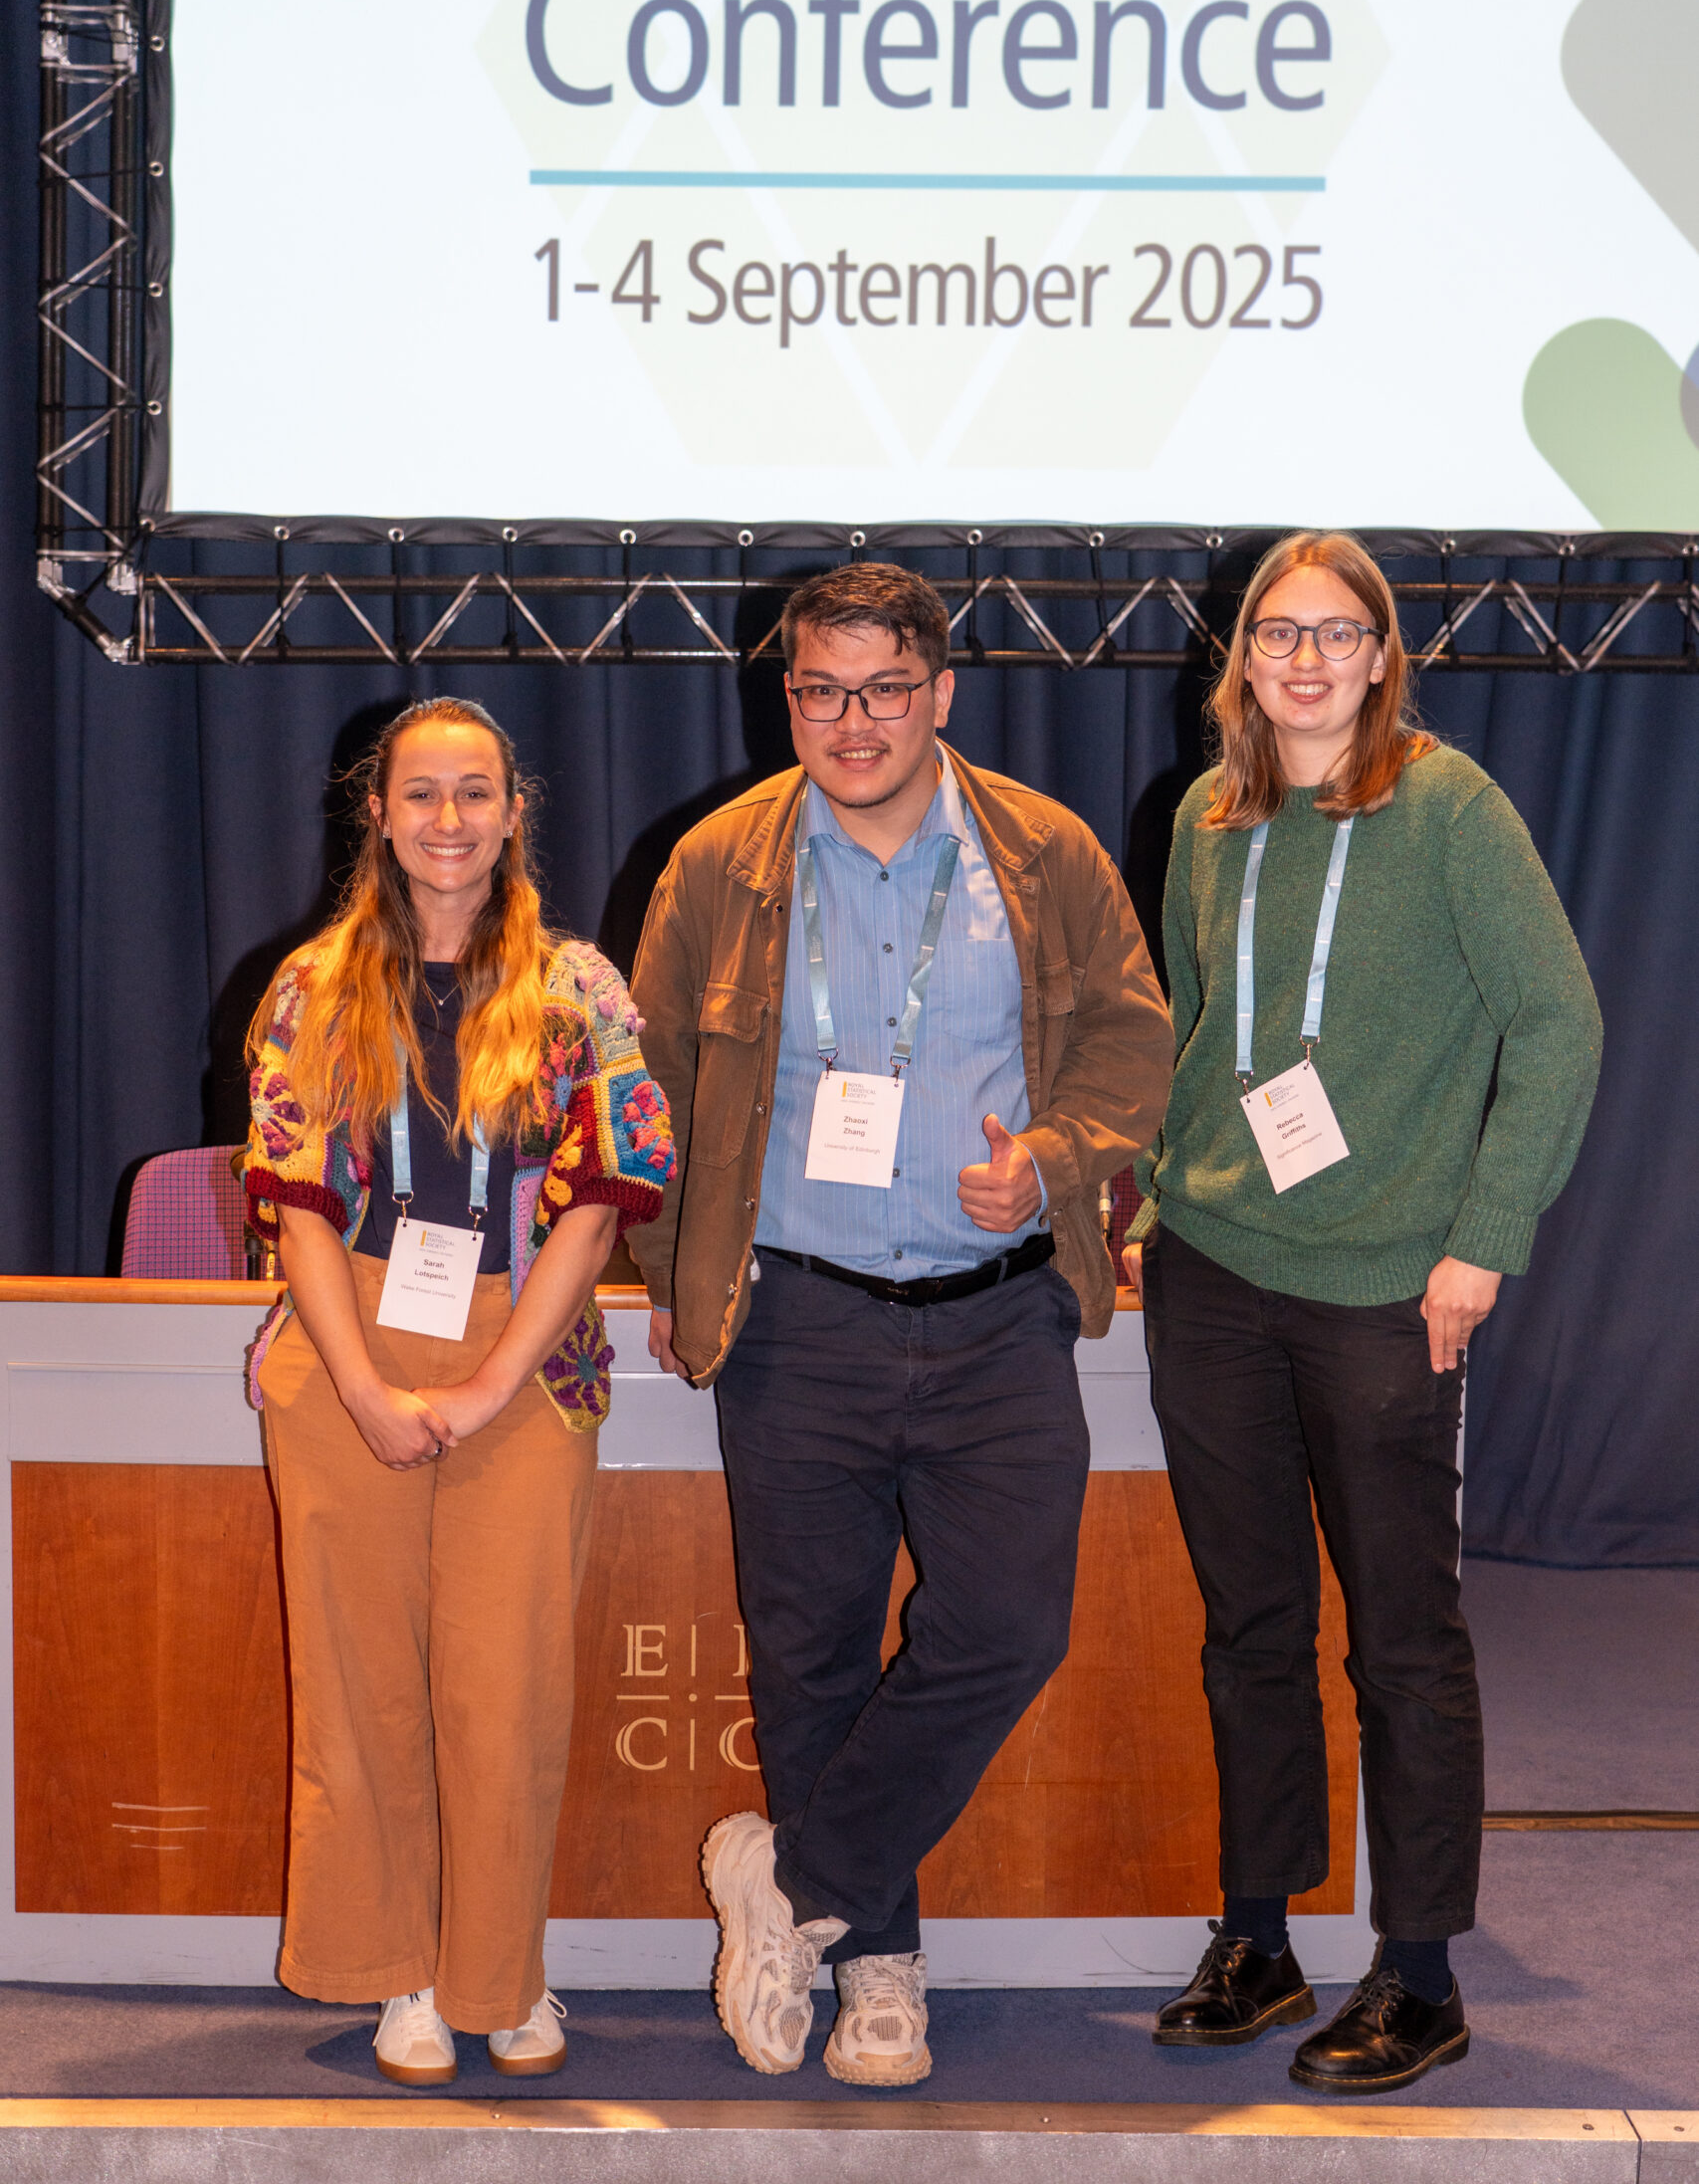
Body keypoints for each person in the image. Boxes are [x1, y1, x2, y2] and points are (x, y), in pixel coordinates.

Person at [627, 562, 1173, 2089]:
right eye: (818, 690)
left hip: (995, 1323)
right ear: (784, 693)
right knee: (810, 1657)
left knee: (1006, 1627)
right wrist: (678, 1272)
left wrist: (1055, 1160)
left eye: (881, 689)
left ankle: (792, 1889)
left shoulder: (1040, 852)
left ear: (942, 692)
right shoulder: (720, 863)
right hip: (796, 1319)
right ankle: (878, 1968)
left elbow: (1136, 1040)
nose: (850, 722)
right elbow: (649, 1092)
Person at [1129, 532, 1600, 2093]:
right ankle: (1259, 1936)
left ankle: (1419, 1973)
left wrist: (1484, 1238)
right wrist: (1147, 1194)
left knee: (1403, 1642)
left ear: (1385, 656)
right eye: (1281, 634)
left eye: (1342, 635)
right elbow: (1202, 1027)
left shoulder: (1450, 807)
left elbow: (1558, 1022)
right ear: (1243, 657)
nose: (1310, 662)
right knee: (1248, 1626)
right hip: (1212, 1270)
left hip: (1391, 1289)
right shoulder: (1207, 815)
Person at [243, 697, 673, 2087]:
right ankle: (400, 1974)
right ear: (378, 813)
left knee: (507, 1690)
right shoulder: (310, 988)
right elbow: (294, 1201)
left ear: (511, 813)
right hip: (346, 1350)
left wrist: (490, 1385)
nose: (446, 822)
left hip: (528, 1361)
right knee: (363, 1694)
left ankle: (504, 1974)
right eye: (420, 796)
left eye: (472, 796)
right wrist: (362, 1385)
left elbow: (603, 1205)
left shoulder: (581, 992)